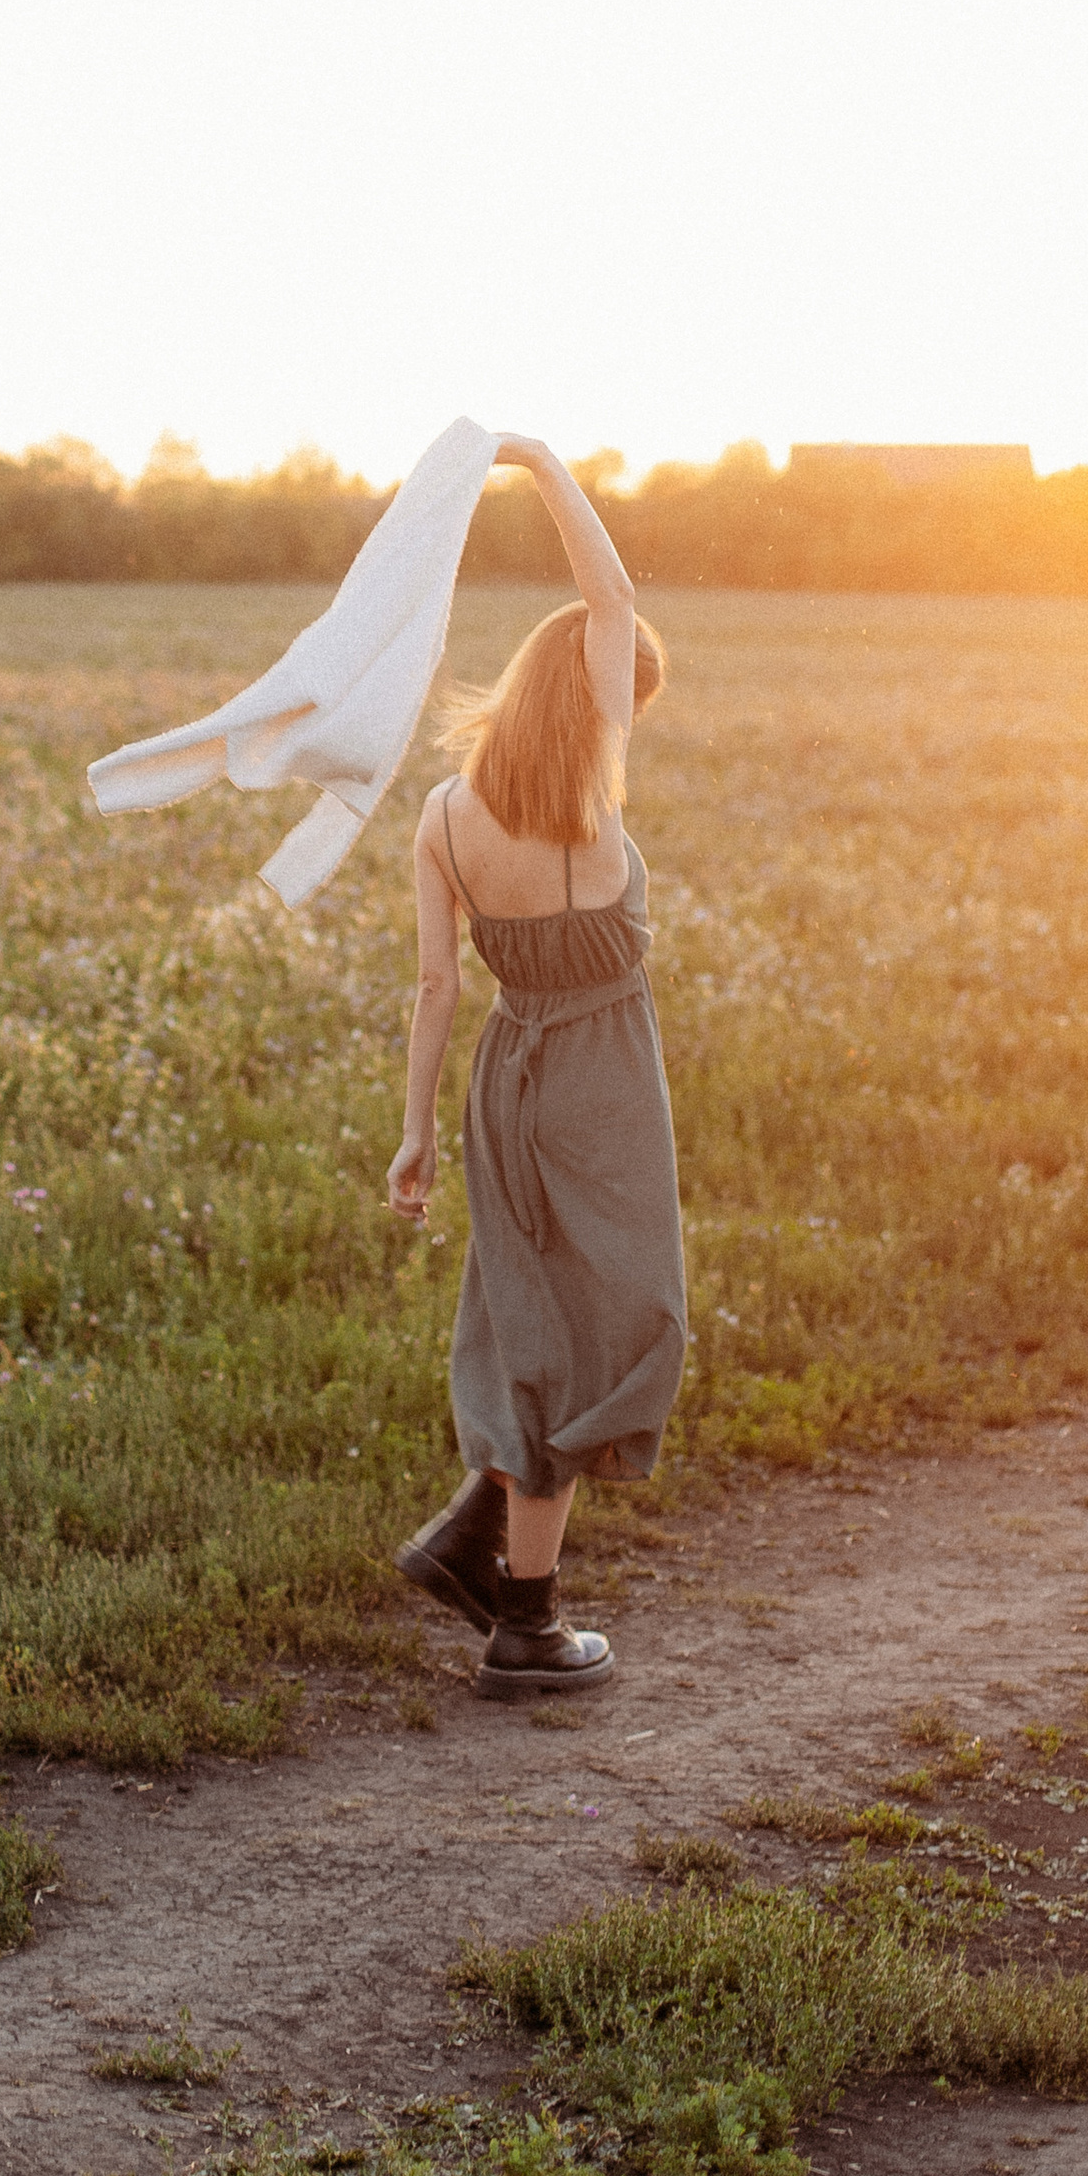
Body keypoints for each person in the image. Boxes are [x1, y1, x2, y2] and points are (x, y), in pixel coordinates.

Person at [385, 436, 685, 1701]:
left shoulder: (445, 816)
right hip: (600, 1078)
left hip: (504, 1077)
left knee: (530, 1318)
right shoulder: (590, 789)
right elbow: (609, 597)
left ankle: (472, 1538)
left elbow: (439, 987)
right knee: (616, 1330)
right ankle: (527, 1617)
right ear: (602, 697)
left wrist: (410, 1136)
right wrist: (544, 467)